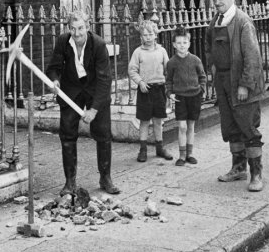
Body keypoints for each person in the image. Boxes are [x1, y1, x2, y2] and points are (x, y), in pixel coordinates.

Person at [45, 11, 120, 196]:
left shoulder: (99, 45)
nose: (76, 33)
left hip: (95, 89)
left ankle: (105, 178)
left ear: (88, 26)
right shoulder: (63, 41)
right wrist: (54, 81)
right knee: (67, 135)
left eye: (80, 28)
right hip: (71, 90)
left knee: (103, 134)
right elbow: (53, 68)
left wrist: (94, 110)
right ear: (68, 28)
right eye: (72, 28)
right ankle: (70, 182)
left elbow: (104, 80)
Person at [205, 0, 265, 192]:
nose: (217, 3)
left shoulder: (243, 22)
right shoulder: (215, 22)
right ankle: (238, 168)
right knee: (231, 128)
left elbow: (253, 57)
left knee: (248, 128)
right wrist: (212, 68)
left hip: (241, 85)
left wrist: (245, 85)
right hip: (223, 84)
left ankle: (256, 174)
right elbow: (209, 49)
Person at [128, 19, 173, 162]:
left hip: (159, 89)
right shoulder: (138, 52)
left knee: (158, 120)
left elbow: (169, 69)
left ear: (155, 35)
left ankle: (160, 147)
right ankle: (143, 150)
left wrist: (170, 85)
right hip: (145, 90)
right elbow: (132, 70)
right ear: (141, 36)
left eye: (150, 34)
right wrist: (140, 82)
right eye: (144, 35)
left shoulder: (162, 51)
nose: (148, 37)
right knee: (144, 121)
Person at [166, 28, 206, 166]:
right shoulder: (172, 62)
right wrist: (170, 93)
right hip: (180, 98)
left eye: (185, 42)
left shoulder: (195, 60)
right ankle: (182, 156)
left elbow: (202, 76)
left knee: (191, 126)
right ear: (174, 45)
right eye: (179, 42)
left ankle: (190, 154)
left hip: (194, 96)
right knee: (182, 126)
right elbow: (169, 80)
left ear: (189, 43)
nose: (182, 45)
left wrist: (201, 89)